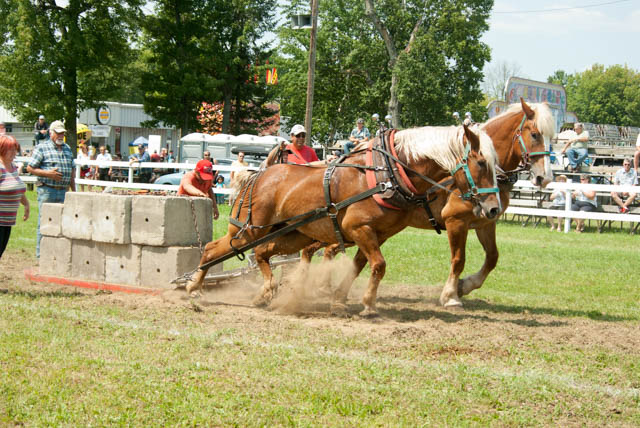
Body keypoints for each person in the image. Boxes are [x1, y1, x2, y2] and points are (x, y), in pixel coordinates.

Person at [27, 120, 75, 258]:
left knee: (61, 223)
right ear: (51, 133)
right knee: (45, 222)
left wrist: (74, 190)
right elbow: (30, 167)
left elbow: (71, 171)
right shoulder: (42, 147)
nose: (61, 136)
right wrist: (48, 174)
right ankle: (41, 255)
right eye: (58, 133)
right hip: (48, 190)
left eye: (62, 133)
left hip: (64, 190)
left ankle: (56, 254)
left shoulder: (67, 148)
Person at [0, 135, 29, 259]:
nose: (13, 152)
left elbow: (17, 188)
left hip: (7, 220)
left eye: (14, 149)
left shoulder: (13, 168)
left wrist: (26, 204)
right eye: (9, 149)